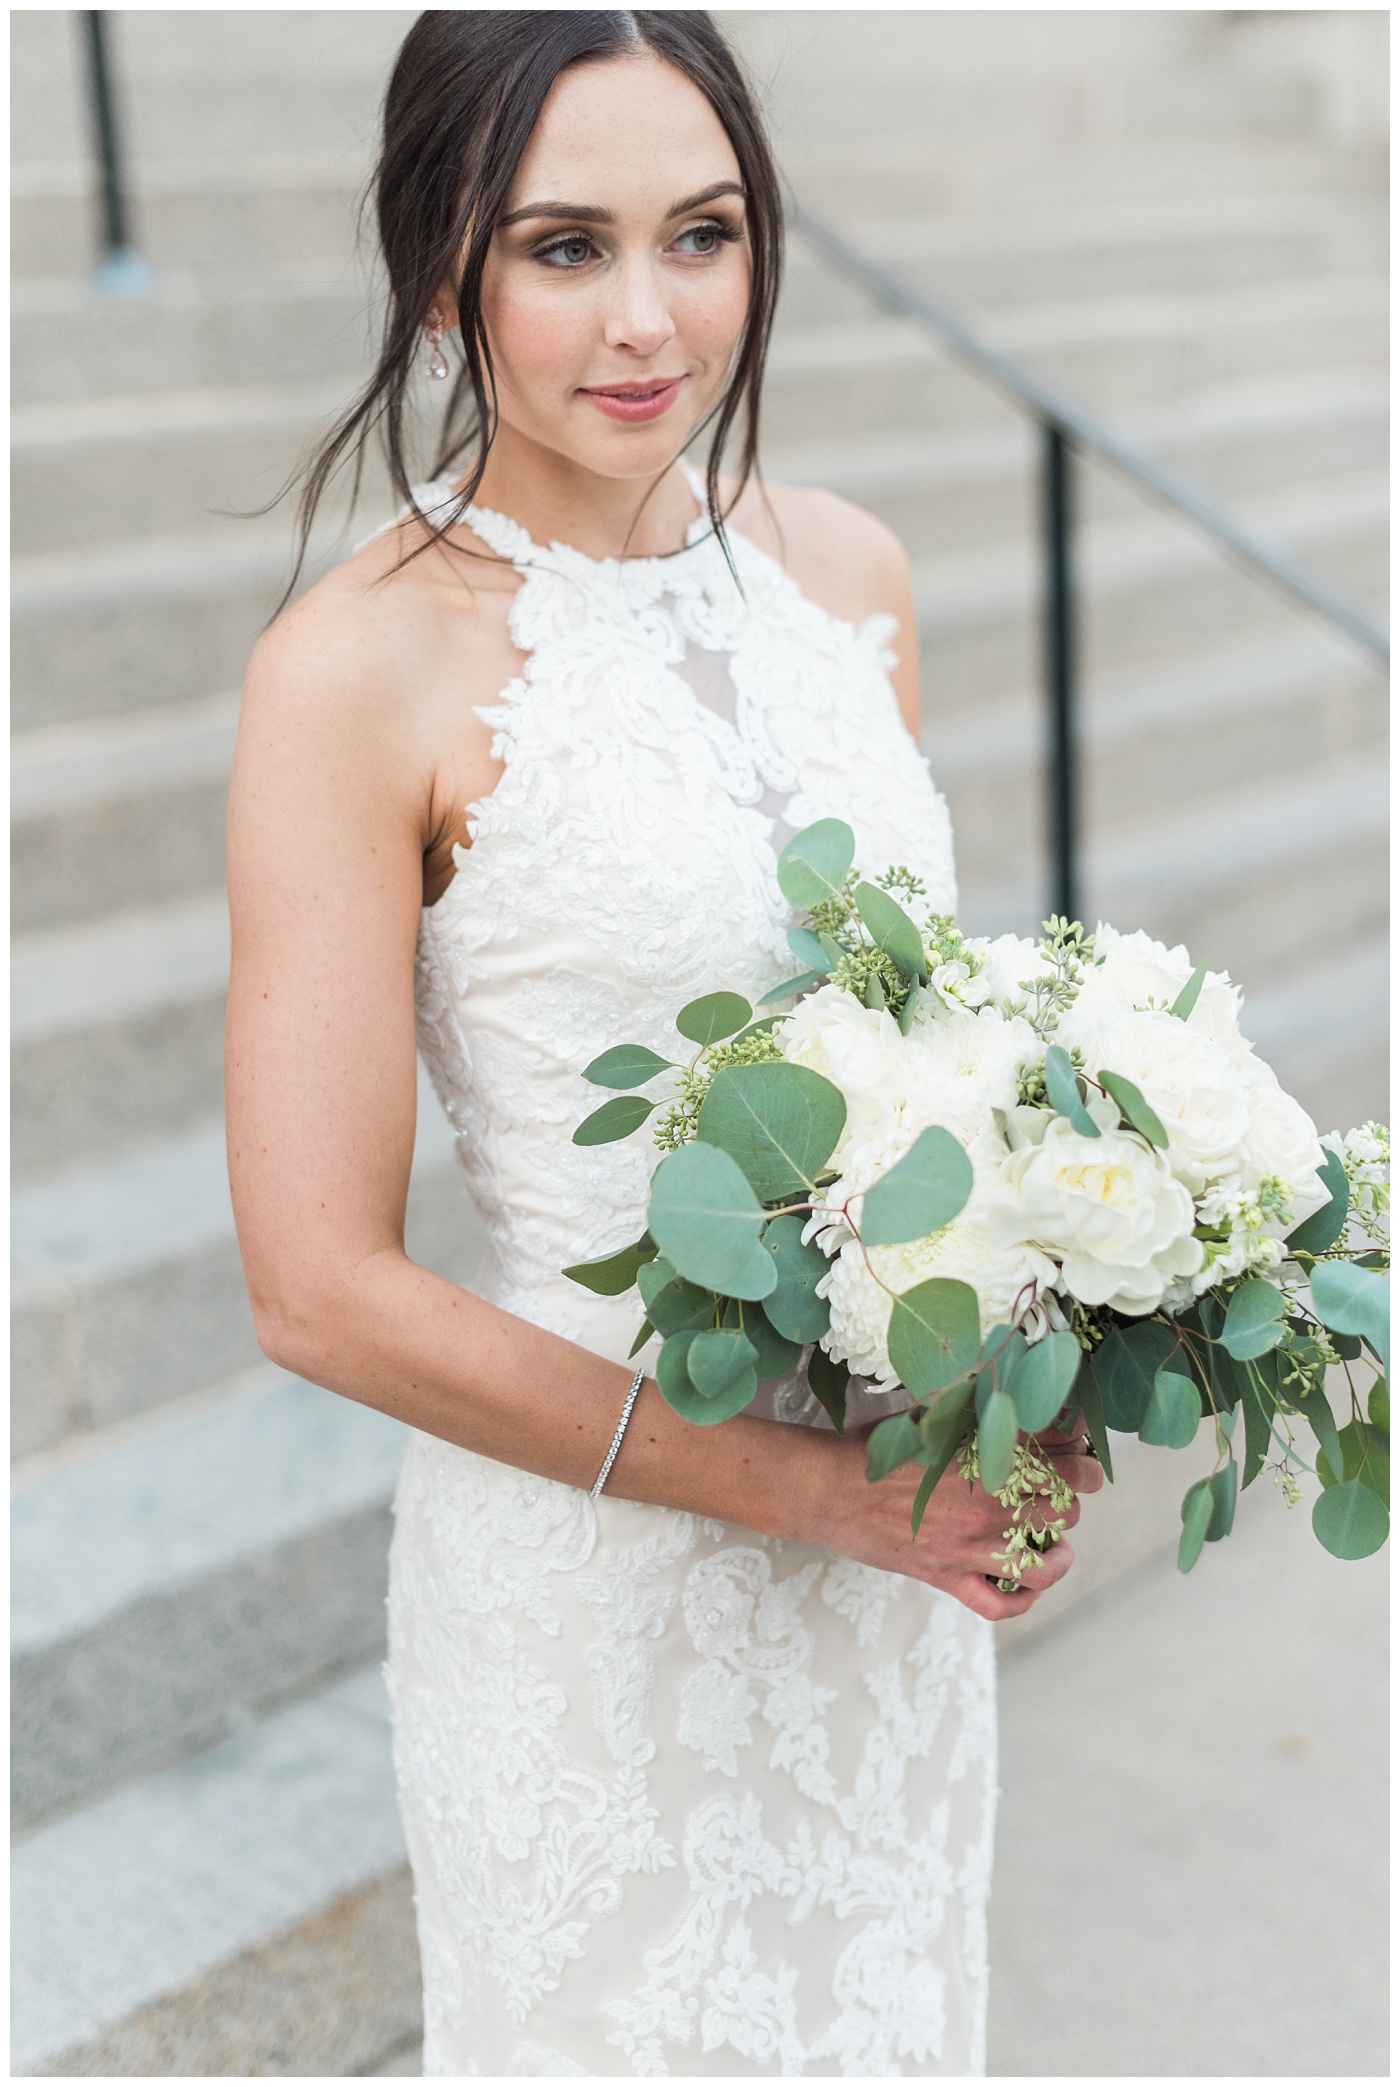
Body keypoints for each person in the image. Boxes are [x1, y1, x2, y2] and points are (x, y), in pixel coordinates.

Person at [226, 11, 1103, 2076]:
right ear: (443, 267)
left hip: (887, 1577)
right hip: (596, 1577)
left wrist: (1042, 1360)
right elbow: (315, 1291)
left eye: (700, 236)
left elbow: (930, 1073)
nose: (647, 319)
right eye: (562, 248)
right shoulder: (355, 668)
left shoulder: (849, 573)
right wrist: (807, 1495)